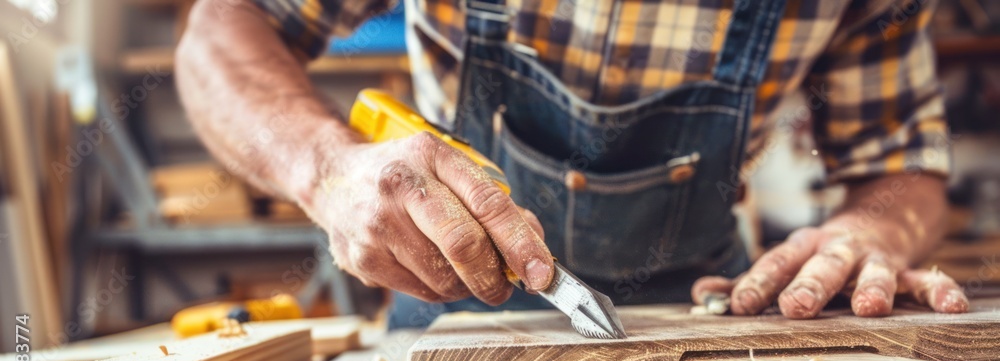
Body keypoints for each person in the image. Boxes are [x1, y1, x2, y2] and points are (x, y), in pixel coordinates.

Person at [176, 0, 970, 329]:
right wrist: (327, 168)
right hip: (449, 300)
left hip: (710, 311)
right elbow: (225, 27)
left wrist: (878, 225)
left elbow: (901, 162)